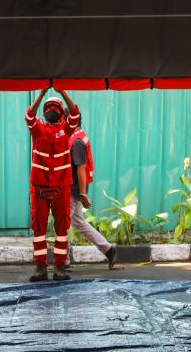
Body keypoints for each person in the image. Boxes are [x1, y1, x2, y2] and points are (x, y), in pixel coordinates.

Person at [25, 88, 80, 281]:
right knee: (39, 229)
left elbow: (75, 114)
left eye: (56, 108)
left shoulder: (66, 129)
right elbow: (29, 115)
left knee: (62, 229)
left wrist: (63, 92)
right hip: (39, 187)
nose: (52, 110)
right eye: (49, 108)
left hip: (61, 186)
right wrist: (40, 95)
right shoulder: (37, 130)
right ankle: (40, 269)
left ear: (61, 112)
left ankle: (59, 268)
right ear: (44, 112)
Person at [67, 114, 117, 269]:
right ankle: (108, 249)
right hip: (77, 188)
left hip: (74, 189)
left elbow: (81, 167)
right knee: (78, 222)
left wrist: (82, 194)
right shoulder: (80, 136)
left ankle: (62, 261)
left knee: (62, 225)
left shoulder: (76, 141)